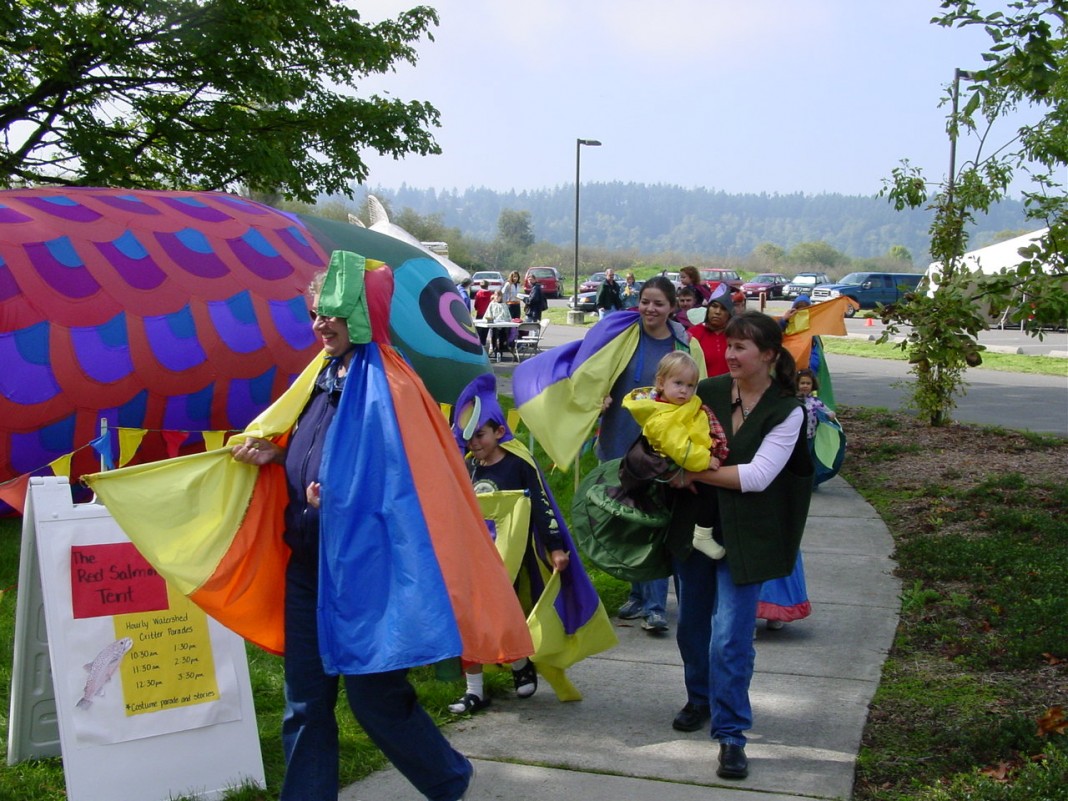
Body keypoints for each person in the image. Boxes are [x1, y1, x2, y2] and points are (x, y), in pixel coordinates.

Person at [227, 254, 532, 801]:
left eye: (333, 314)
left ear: (363, 314)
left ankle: (448, 779)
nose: (321, 324)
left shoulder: (392, 385)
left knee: (376, 701)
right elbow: (319, 444)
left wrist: (339, 499)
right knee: (306, 703)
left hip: (368, 573)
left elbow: (403, 482)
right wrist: (277, 457)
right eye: (316, 313)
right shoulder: (319, 375)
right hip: (310, 565)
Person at [665, 310, 814, 781]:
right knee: (691, 626)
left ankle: (731, 734)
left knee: (731, 638)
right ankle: (700, 698)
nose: (729, 354)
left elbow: (757, 476)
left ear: (768, 355)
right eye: (727, 346)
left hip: (746, 538)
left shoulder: (788, 410)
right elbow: (665, 432)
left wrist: (693, 473)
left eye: (740, 347)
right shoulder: (704, 391)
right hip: (694, 530)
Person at [448, 374, 617, 713]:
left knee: (508, 615)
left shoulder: (518, 464)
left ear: (499, 431)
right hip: (476, 558)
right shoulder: (468, 467)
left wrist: (555, 546)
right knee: (469, 618)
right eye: (468, 437)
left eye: (479, 435)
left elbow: (542, 505)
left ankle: (519, 662)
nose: (474, 443)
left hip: (515, 559)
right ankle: (474, 689)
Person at [596, 276, 702, 634]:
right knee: (626, 522)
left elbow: (698, 393)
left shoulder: (684, 345)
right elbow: (598, 373)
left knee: (654, 523)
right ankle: (638, 594)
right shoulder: (623, 338)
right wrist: (601, 397)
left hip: (660, 451)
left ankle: (656, 606)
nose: (650, 309)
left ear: (673, 307)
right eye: (645, 302)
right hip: (618, 441)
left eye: (658, 303)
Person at [615, 351, 729, 560]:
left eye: (690, 386)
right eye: (678, 383)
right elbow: (680, 448)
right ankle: (703, 533)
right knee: (709, 493)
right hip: (687, 462)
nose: (685, 391)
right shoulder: (662, 418)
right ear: (661, 383)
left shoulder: (675, 406)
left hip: (696, 453)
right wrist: (705, 460)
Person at [687, 286, 734, 377]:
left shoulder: (735, 335)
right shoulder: (693, 334)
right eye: (714, 306)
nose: (717, 312)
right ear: (708, 309)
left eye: (723, 309)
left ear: (729, 314)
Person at [484, 290, 512, 359]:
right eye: (496, 295)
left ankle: (501, 350)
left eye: (498, 296)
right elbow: (488, 314)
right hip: (494, 324)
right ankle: (494, 349)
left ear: (501, 297)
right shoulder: (492, 304)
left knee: (502, 336)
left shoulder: (504, 305)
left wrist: (507, 320)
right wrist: (491, 319)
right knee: (494, 335)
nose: (497, 297)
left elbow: (507, 315)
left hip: (503, 324)